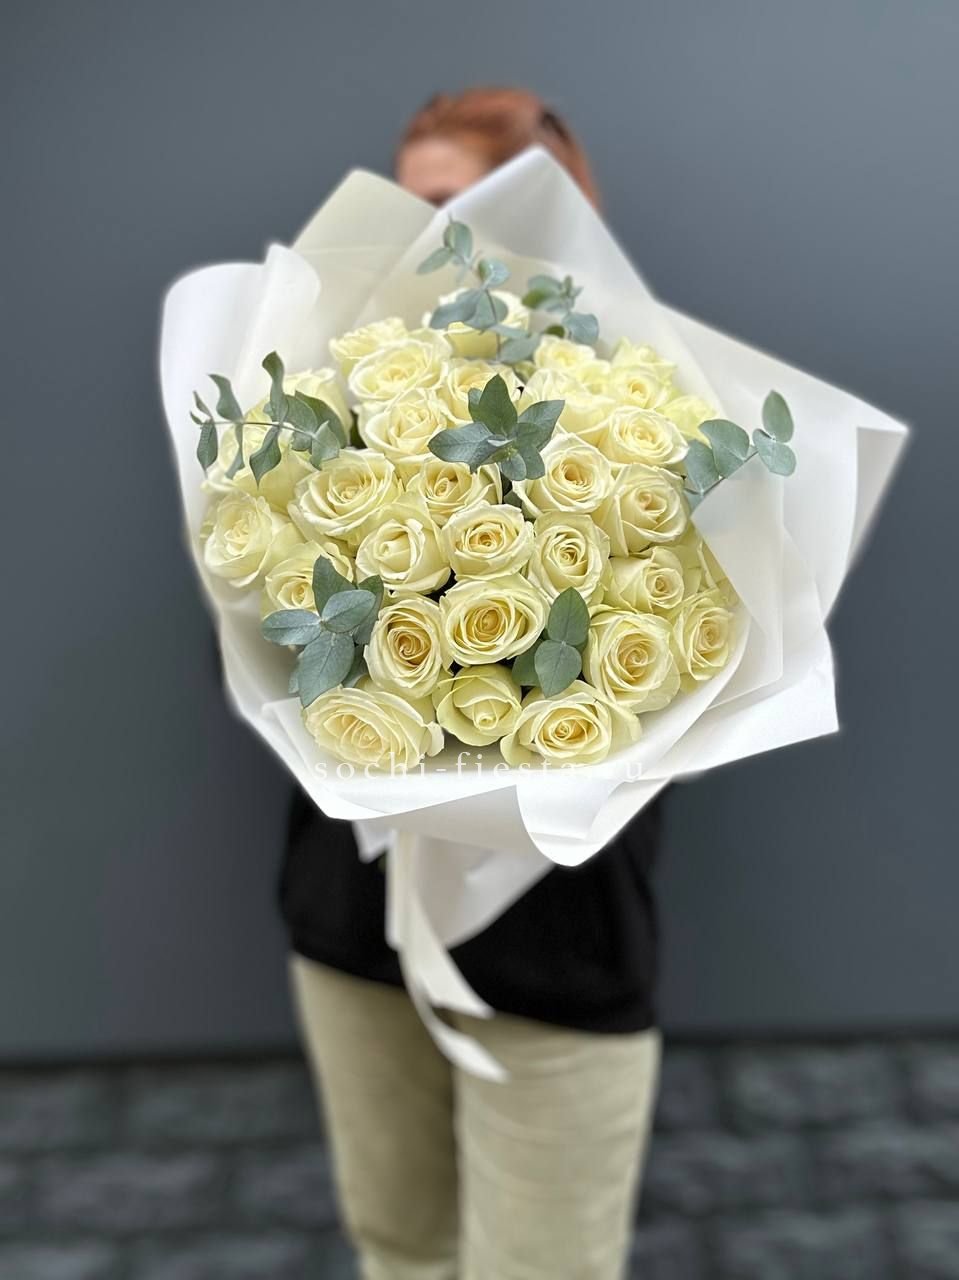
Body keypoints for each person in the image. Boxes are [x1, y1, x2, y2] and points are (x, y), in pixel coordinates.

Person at [283, 88, 664, 1280]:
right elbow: (250, 657)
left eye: (450, 203)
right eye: (405, 205)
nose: (420, 233)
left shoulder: (646, 406)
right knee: (398, 1247)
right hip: (350, 924)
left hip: (560, 943)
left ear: (546, 208)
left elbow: (700, 675)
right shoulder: (335, 399)